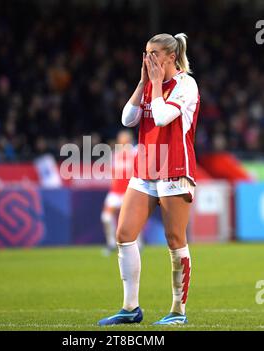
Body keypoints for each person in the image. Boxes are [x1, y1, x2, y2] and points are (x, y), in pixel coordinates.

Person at [98, 33, 200, 326]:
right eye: (146, 52)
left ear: (170, 56)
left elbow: (161, 117)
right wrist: (144, 83)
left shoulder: (186, 85)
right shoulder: (148, 85)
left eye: (154, 53)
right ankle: (130, 308)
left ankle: (178, 311)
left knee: (175, 239)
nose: (148, 58)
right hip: (144, 170)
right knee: (124, 234)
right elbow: (127, 120)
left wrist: (155, 86)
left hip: (175, 168)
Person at [101, 130, 143, 256]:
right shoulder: (115, 154)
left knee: (132, 219)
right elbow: (113, 173)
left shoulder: (135, 152)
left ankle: (138, 244)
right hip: (115, 192)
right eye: (121, 139)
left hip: (129, 191)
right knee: (106, 217)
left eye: (124, 139)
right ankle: (111, 244)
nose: (122, 141)